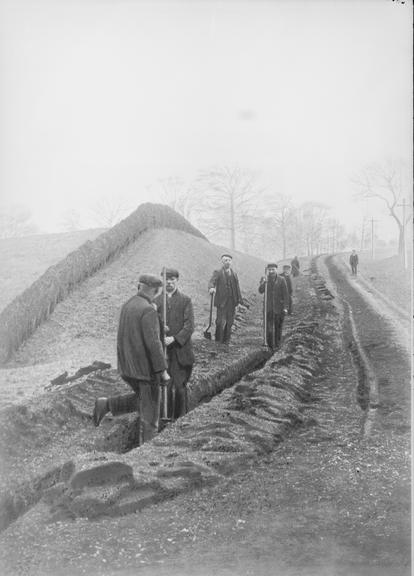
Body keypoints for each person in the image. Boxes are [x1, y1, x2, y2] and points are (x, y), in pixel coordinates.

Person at [92, 274, 170, 445]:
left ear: (139, 287)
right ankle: (148, 449)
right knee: (150, 415)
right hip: (146, 370)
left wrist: (157, 320)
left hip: (128, 368)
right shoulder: (148, 310)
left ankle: (106, 405)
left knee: (143, 399)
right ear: (156, 291)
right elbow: (153, 343)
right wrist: (162, 370)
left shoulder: (129, 305)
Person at [154, 268, 195, 420]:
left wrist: (174, 339)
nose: (169, 282)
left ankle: (180, 420)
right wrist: (160, 336)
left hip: (181, 353)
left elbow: (189, 326)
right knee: (165, 388)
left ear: (177, 281)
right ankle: (166, 421)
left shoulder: (185, 300)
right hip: (163, 354)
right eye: (166, 279)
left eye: (172, 279)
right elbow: (151, 327)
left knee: (179, 388)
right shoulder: (157, 302)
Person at [208, 254, 242, 344]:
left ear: (231, 262)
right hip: (222, 301)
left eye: (229, 260)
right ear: (222, 262)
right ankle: (218, 340)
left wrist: (239, 300)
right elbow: (212, 281)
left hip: (232, 301)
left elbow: (237, 287)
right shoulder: (218, 272)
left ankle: (226, 340)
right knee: (220, 321)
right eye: (225, 260)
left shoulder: (234, 273)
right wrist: (211, 288)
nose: (228, 262)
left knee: (230, 321)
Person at [258, 263, 289, 350]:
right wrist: (263, 283)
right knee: (269, 328)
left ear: (276, 270)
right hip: (268, 308)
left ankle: (277, 345)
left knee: (278, 327)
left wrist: (286, 307)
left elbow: (286, 295)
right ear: (267, 270)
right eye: (269, 270)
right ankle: (270, 345)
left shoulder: (281, 279)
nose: (271, 271)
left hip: (279, 308)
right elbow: (260, 291)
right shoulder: (265, 279)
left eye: (273, 269)